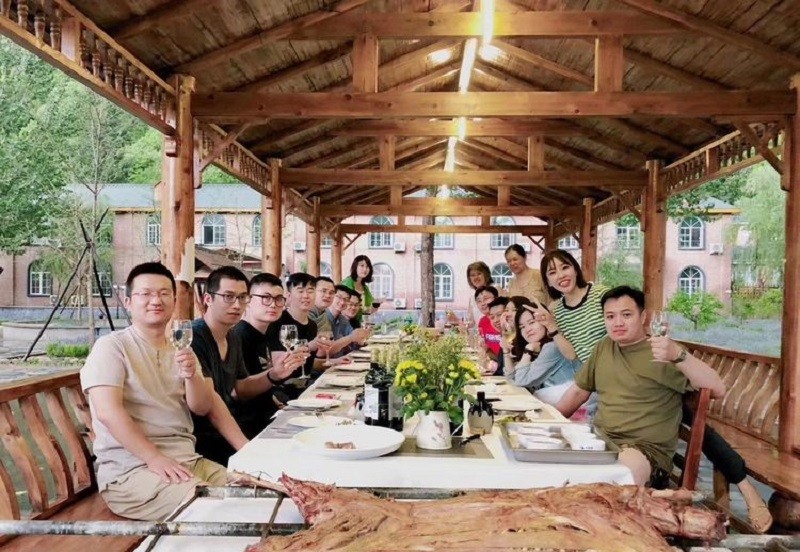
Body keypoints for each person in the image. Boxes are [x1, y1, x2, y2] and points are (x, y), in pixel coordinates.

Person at [80, 262, 227, 520]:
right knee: (213, 510)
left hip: (188, 461)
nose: (156, 300)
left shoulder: (181, 348)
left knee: (258, 495)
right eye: (145, 294)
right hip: (132, 472)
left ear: (173, 300)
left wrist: (192, 376)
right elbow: (108, 412)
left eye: (164, 293)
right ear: (128, 302)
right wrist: (155, 458)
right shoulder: (112, 347)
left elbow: (202, 407)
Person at [556, 286, 726, 487]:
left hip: (645, 452)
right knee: (552, 470)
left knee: (613, 477)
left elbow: (718, 389)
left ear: (643, 317)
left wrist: (678, 355)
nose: (618, 322)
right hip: (600, 442)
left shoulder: (662, 352)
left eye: (627, 315)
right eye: (610, 316)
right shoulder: (604, 346)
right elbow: (578, 391)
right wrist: (545, 421)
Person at [192, 266, 281, 465]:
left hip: (229, 426)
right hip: (202, 438)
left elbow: (240, 387)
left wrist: (274, 374)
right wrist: (248, 450)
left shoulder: (232, 336)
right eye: (228, 297)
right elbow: (210, 406)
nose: (237, 305)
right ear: (208, 299)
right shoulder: (195, 337)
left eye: (242, 298)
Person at [232, 272, 307, 432]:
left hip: (269, 414)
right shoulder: (239, 336)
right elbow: (238, 392)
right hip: (249, 425)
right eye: (265, 298)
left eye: (278, 299)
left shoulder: (264, 333)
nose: (273, 305)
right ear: (248, 300)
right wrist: (275, 374)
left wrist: (275, 401)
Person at [533, 249, 609, 363]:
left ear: (576, 270)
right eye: (552, 273)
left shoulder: (601, 294)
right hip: (589, 372)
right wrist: (551, 325)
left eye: (565, 267)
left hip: (616, 367)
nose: (561, 275)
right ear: (548, 282)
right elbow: (571, 355)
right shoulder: (558, 313)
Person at [501, 306, 582, 405]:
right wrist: (506, 352)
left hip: (575, 408)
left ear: (544, 321)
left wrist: (528, 350)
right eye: (522, 327)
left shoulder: (552, 347)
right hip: (559, 403)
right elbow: (512, 378)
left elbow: (521, 381)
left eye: (532, 322)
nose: (527, 329)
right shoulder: (539, 348)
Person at [341, 255, 374, 323]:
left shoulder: (365, 287)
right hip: (344, 322)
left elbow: (369, 308)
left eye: (367, 266)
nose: (365, 269)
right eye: (362, 265)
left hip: (359, 322)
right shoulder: (346, 283)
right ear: (355, 266)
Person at [465, 261, 493, 327]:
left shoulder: (495, 290)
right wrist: (457, 321)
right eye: (473, 275)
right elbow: (471, 322)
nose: (476, 277)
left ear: (486, 275)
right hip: (480, 333)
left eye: (479, 274)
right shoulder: (472, 298)